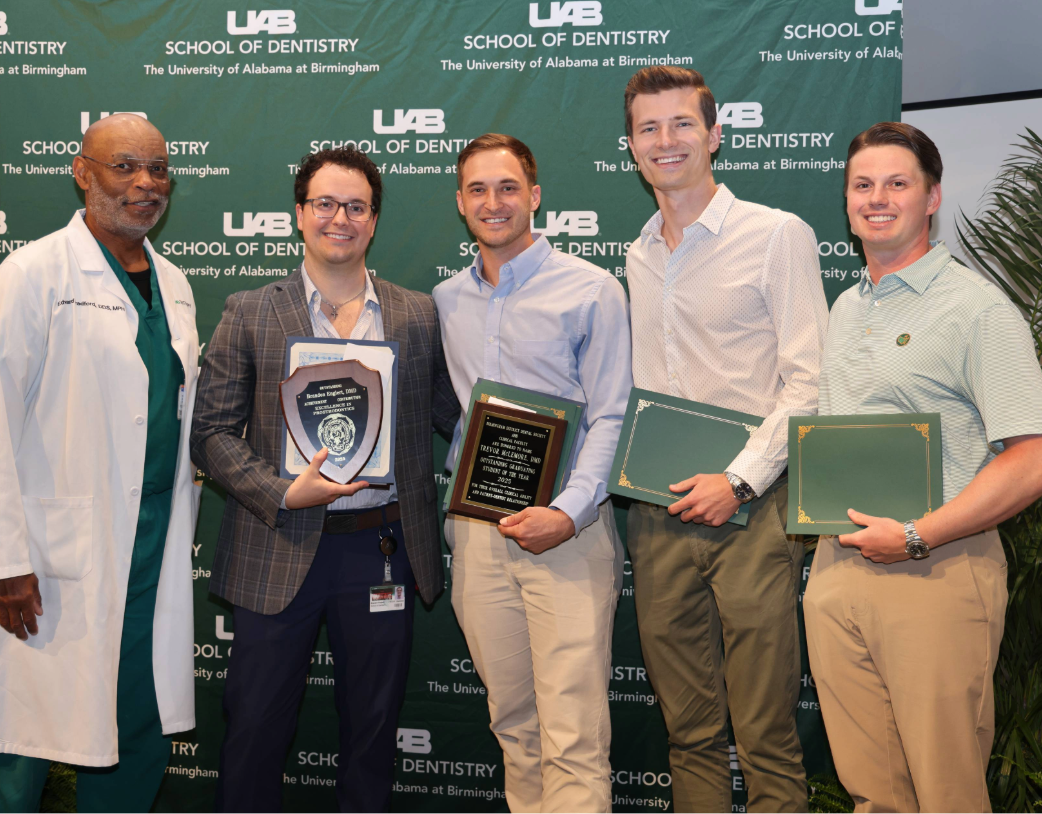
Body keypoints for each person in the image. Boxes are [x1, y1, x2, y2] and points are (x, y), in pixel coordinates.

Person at [191, 145, 461, 813]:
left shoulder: (418, 314)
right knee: (253, 727)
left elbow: (455, 420)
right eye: (325, 204)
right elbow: (210, 435)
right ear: (299, 214)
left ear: (373, 221)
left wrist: (537, 439)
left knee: (372, 732)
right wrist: (281, 491)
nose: (339, 218)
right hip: (276, 540)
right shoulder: (250, 310)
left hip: (380, 550)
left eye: (356, 206)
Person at [0, 113, 200, 812]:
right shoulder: (32, 275)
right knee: (15, 740)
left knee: (133, 723)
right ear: (82, 171)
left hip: (149, 544)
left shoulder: (176, 283)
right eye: (124, 166)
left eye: (157, 168)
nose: (145, 183)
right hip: (49, 555)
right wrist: (2, 558)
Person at [803, 121, 1042, 813]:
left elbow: (1031, 458)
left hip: (935, 570)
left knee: (946, 794)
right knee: (873, 796)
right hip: (840, 568)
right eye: (863, 185)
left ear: (932, 197)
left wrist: (917, 535)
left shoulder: (976, 309)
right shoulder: (848, 306)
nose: (878, 198)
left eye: (897, 183)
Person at [621, 66, 828, 813]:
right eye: (649, 128)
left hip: (753, 512)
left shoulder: (776, 235)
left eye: (682, 124)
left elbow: (809, 385)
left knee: (768, 731)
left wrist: (738, 480)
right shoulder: (637, 253)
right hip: (656, 514)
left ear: (714, 134)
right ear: (632, 146)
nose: (665, 140)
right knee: (690, 733)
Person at [433, 133, 633, 813]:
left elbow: (612, 415)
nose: (495, 202)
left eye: (509, 187)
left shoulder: (592, 290)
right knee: (513, 726)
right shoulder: (445, 299)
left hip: (569, 537)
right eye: (479, 190)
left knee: (572, 736)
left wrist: (570, 511)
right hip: (481, 541)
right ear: (461, 203)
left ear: (535, 196)